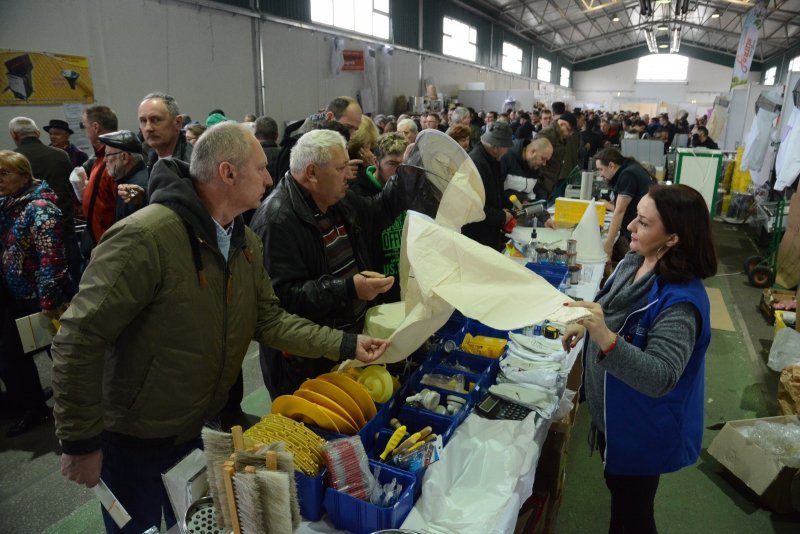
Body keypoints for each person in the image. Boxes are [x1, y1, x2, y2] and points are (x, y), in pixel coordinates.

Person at [52, 123, 387, 534]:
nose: (270, 178)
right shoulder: (145, 238)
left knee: (188, 521)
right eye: (261, 168)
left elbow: (270, 319)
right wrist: (80, 442)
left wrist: (347, 344)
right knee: (137, 527)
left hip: (195, 425)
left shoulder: (243, 241)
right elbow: (78, 337)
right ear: (228, 173)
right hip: (132, 434)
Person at [562, 184, 716, 534]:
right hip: (614, 419)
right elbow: (614, 313)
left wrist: (603, 335)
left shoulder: (680, 302)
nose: (630, 226)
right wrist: (588, 325)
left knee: (632, 516)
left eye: (643, 223)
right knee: (623, 501)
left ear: (673, 238)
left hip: (642, 430)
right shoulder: (636, 261)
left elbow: (661, 376)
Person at [249, 129, 411, 398]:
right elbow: (282, 301)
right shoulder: (277, 221)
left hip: (346, 342)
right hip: (305, 362)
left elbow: (377, 212)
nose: (350, 174)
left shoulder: (336, 199)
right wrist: (348, 289)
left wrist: (407, 173)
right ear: (312, 173)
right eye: (341, 168)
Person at [0, 150, 72, 437]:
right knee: (16, 356)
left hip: (41, 298)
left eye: (5, 173)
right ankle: (34, 406)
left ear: (24, 176)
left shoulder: (40, 207)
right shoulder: (10, 204)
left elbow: (50, 258)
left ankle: (87, 408)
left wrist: (48, 301)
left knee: (62, 353)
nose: (0, 180)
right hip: (16, 294)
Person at [10, 117, 80, 286]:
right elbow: (71, 192)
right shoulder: (61, 156)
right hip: (65, 229)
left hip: (28, 240)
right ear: (38, 134)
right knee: (74, 285)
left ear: (14, 135)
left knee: (40, 289)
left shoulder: (12, 162)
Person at [351, 132, 409, 303]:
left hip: (406, 282)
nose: (400, 170)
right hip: (376, 287)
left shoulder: (411, 191)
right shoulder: (358, 195)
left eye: (404, 164)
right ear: (376, 162)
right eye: (392, 163)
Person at [595, 147, 655, 262]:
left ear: (611, 165)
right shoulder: (629, 168)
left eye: (601, 169)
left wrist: (608, 245)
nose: (600, 174)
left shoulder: (627, 175)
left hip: (639, 231)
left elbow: (620, 211)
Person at [462, 121, 514, 250]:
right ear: (497, 147)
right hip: (477, 236)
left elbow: (496, 192)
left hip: (489, 231)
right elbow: (474, 206)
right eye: (506, 147)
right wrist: (502, 217)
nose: (507, 151)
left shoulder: (493, 159)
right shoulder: (477, 163)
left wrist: (509, 205)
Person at [99, 131, 149, 220]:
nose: (104, 160)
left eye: (107, 155)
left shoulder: (134, 189)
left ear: (124, 157)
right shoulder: (131, 180)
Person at [138, 92, 193, 169]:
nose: (148, 128)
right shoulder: (146, 162)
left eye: (156, 120)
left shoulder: (197, 165)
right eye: (143, 121)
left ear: (178, 122)